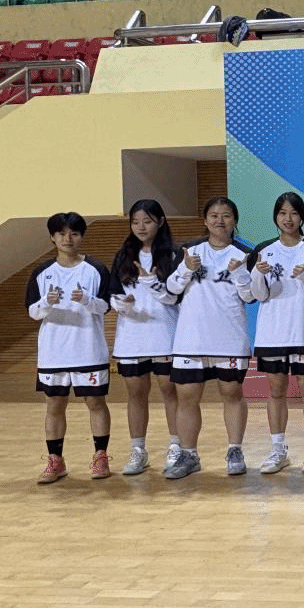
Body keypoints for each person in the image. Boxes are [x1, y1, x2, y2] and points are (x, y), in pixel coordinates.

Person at [163, 196, 255, 480]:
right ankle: (188, 454)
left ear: (234, 221)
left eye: (226, 215)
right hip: (191, 338)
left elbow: (250, 296)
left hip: (229, 338)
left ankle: (235, 450)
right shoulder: (189, 251)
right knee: (187, 397)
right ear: (205, 220)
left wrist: (240, 273)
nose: (220, 220)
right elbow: (170, 290)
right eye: (214, 215)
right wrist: (186, 268)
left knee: (232, 393)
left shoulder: (245, 254)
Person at [247, 192, 304, 475]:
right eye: (282, 213)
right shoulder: (263, 250)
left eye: (293, 213)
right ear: (276, 217)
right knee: (276, 391)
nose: (288, 218)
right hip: (272, 335)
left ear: (302, 217)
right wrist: (258, 273)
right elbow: (258, 295)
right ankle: (278, 450)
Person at [27, 212, 113, 484]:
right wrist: (47, 302)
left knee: (95, 402)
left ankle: (100, 456)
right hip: (54, 352)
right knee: (54, 404)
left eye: (74, 233)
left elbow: (106, 306)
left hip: (88, 348)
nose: (68, 238)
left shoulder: (95, 269)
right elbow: (32, 312)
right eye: (62, 233)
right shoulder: (42, 273)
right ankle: (55, 460)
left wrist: (87, 300)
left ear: (81, 237)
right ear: (52, 237)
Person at [108, 199, 182, 476]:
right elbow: (113, 294)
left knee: (169, 390)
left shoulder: (174, 255)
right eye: (136, 222)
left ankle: (176, 447)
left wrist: (153, 283)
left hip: (165, 333)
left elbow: (177, 296)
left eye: (147, 221)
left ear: (160, 222)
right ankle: (138, 450)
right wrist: (122, 303)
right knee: (136, 393)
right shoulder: (123, 255)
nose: (141, 227)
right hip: (132, 336)